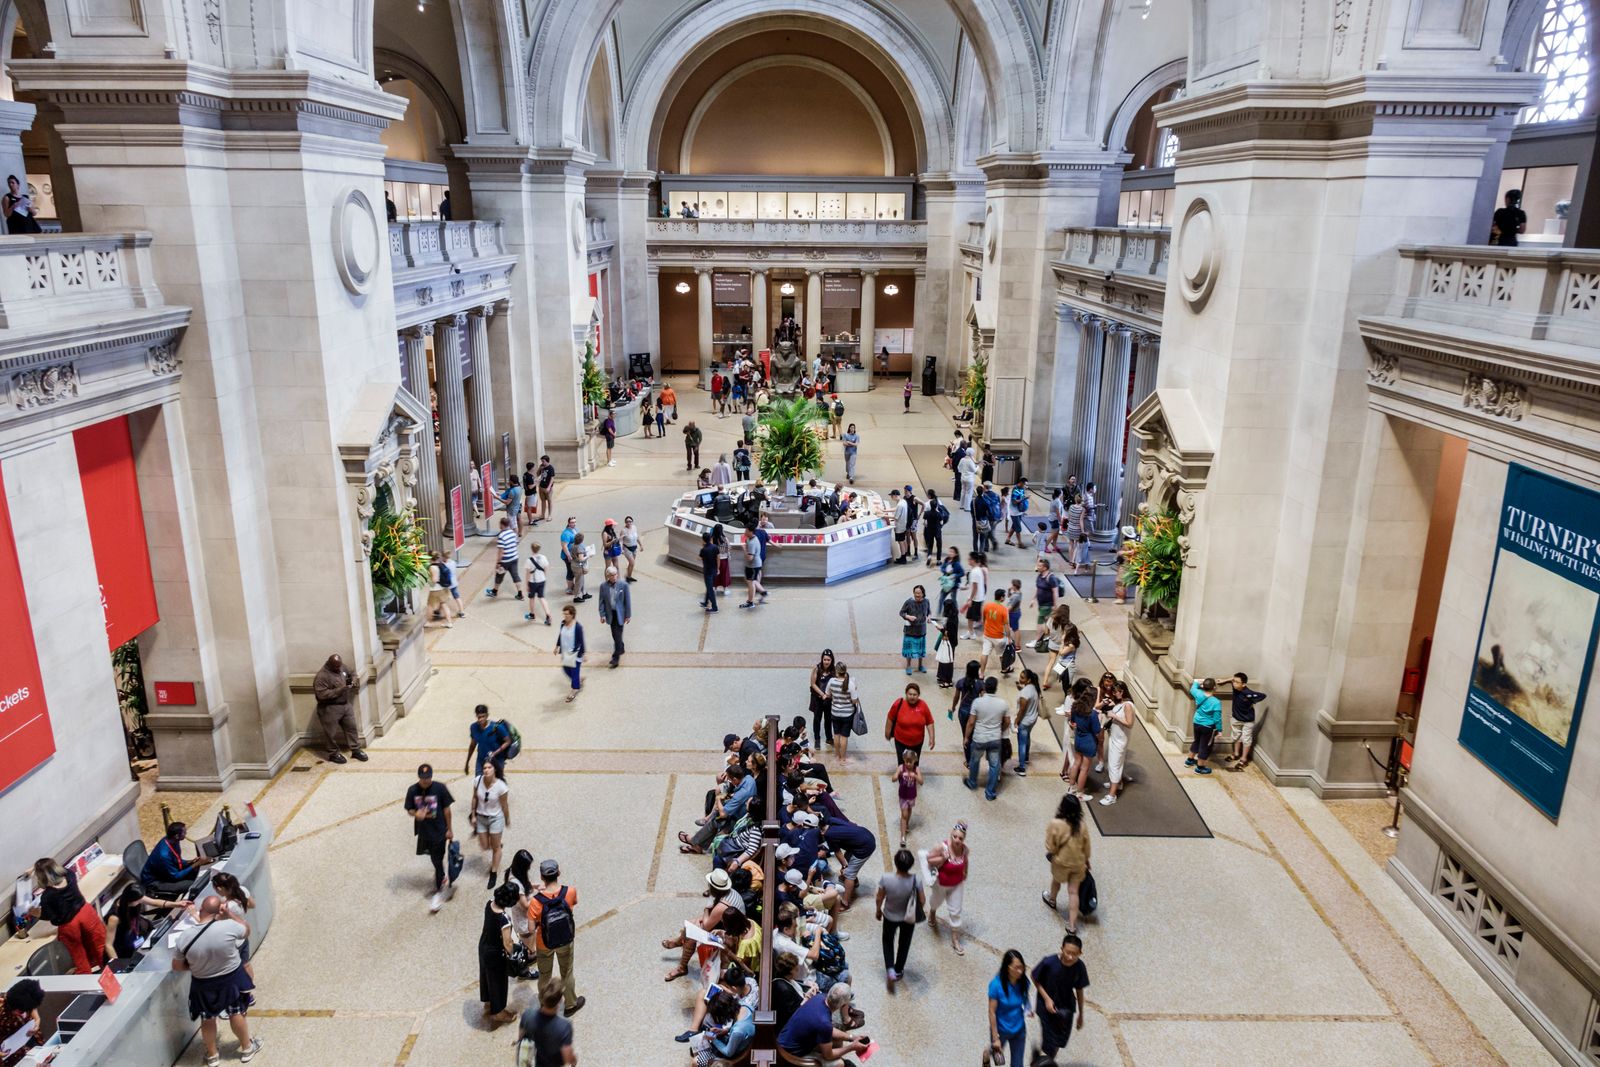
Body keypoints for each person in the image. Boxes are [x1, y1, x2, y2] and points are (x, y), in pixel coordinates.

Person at [174, 895, 261, 1064]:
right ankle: (247, 1048)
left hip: (203, 982)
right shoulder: (228, 926)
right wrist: (229, 913)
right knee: (236, 1013)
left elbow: (177, 966)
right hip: (231, 979)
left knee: (207, 1018)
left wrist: (195, 966)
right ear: (219, 911)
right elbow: (246, 929)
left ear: (200, 911)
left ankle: (212, 1055)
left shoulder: (184, 937)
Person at [527, 859, 584, 1017]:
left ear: (542, 876)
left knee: (545, 975)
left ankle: (545, 1005)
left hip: (544, 943)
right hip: (565, 939)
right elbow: (573, 904)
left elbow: (531, 928)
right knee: (567, 972)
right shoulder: (570, 891)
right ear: (558, 873)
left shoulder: (536, 902)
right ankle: (571, 1004)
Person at [28, 859, 104, 973]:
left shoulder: (48, 895)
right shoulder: (70, 876)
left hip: (69, 925)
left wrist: (33, 912)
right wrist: (35, 867)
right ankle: (109, 972)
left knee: (79, 957)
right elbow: (53, 868)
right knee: (100, 945)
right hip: (86, 913)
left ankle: (85, 979)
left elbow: (47, 915)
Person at [404, 764, 456, 912]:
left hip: (439, 831)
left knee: (437, 860)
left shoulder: (440, 788)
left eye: (428, 778)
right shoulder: (412, 790)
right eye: (422, 778)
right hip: (423, 832)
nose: (425, 780)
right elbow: (409, 809)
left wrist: (449, 830)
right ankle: (441, 877)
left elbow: (447, 810)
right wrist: (416, 814)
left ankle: (439, 888)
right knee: (434, 859)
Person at [777, 984, 869, 1063]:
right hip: (789, 1056)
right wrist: (852, 1047)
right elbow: (828, 1056)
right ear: (842, 1005)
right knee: (840, 1063)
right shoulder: (824, 1023)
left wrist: (852, 1037)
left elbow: (829, 1030)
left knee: (837, 1042)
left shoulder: (818, 998)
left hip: (781, 1043)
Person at [1033, 933, 1090, 1061]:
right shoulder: (1049, 962)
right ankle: (1046, 1062)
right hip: (1046, 1007)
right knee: (1049, 1041)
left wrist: (1081, 1014)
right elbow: (1035, 977)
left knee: (1059, 1041)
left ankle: (1048, 1061)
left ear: (1080, 953)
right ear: (1062, 949)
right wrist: (1047, 999)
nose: (1070, 957)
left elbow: (1079, 989)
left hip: (1066, 1008)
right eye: (1067, 952)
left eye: (1074, 954)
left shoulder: (1080, 967)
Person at [875, 849, 924, 989]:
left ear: (896, 863)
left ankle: (889, 968)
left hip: (890, 916)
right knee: (904, 943)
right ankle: (899, 969)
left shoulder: (886, 878)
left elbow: (880, 897)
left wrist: (878, 911)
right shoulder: (916, 880)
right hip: (908, 918)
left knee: (887, 941)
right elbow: (922, 900)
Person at [1043, 793, 1092, 934]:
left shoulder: (1055, 824)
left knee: (1056, 881)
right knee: (1073, 892)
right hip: (1078, 862)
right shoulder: (1082, 825)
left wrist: (1053, 852)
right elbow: (1086, 846)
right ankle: (1072, 925)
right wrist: (1087, 860)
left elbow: (1050, 846)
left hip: (1061, 861)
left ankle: (1052, 899)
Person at [106, 884, 192, 960]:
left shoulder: (131, 898)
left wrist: (177, 904)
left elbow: (155, 902)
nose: (142, 901)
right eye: (139, 900)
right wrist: (116, 963)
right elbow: (108, 945)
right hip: (125, 943)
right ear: (131, 900)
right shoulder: (114, 918)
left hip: (137, 931)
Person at [923, 822, 969, 955]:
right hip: (941, 883)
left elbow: (966, 860)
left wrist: (965, 872)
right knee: (936, 901)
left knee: (956, 911)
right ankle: (932, 912)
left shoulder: (965, 849)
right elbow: (929, 859)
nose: (957, 840)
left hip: (957, 884)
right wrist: (943, 857)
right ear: (951, 834)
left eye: (960, 838)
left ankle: (955, 939)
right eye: (955, 837)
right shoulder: (942, 847)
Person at [312, 653, 366, 764]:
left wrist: (354, 681)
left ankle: (355, 749)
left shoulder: (342, 666)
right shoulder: (321, 676)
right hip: (330, 708)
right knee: (330, 733)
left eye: (339, 666)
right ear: (329, 664)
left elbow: (352, 673)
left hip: (345, 705)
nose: (339, 669)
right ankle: (333, 754)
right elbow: (321, 695)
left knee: (351, 728)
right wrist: (341, 689)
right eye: (336, 667)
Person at [479, 882, 521, 1023]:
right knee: (498, 982)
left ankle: (488, 1002)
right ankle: (498, 1012)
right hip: (495, 954)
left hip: (484, 945)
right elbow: (507, 943)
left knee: (486, 976)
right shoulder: (504, 919)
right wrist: (514, 954)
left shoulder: (489, 903)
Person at [964, 676, 1010, 801]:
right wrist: (999, 730)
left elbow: (971, 722)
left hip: (979, 738)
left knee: (975, 761)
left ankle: (972, 782)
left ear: (985, 687)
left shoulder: (978, 702)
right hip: (995, 739)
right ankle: (990, 793)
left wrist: (966, 737)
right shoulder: (1003, 703)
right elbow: (1007, 722)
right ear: (996, 688)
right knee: (995, 765)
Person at [467, 761, 511, 889]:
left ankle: (493, 872)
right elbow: (474, 797)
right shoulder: (477, 781)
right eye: (484, 767)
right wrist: (473, 815)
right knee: (484, 846)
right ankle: (496, 845)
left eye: (489, 767)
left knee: (495, 848)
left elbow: (504, 805)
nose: (486, 770)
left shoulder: (501, 787)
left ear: (495, 770)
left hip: (495, 818)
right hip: (481, 817)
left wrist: (507, 819)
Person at [518, 978, 578, 1066]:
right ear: (559, 1002)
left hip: (538, 1059)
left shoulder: (528, 1014)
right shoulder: (564, 1027)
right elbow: (567, 1055)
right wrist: (573, 1061)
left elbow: (521, 1034)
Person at [987, 950, 1032, 1067]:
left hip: (1019, 1030)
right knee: (998, 1060)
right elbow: (992, 1012)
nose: (1020, 971)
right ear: (1008, 967)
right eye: (1016, 968)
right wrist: (995, 1037)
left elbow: (1025, 998)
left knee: (1017, 1065)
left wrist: (1028, 1009)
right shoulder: (996, 985)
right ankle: (988, 1052)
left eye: (1021, 967)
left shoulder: (1024, 982)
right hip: (1001, 1031)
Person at [140, 821, 210, 891]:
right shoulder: (164, 855)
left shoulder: (172, 840)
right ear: (177, 836)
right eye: (184, 833)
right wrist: (196, 864)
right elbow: (176, 876)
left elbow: (176, 859)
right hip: (155, 882)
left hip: (167, 872)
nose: (186, 834)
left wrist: (190, 862)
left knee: (198, 872)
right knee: (195, 884)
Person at [209, 872, 256, 976]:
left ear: (220, 888)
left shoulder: (228, 907)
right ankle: (249, 985)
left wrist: (194, 914)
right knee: (246, 964)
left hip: (233, 942)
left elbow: (212, 921)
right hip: (243, 938)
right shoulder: (242, 890)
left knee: (235, 971)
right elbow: (252, 905)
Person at [886, 680, 935, 774]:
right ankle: (903, 782)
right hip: (901, 742)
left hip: (917, 743)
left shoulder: (923, 706)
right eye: (910, 694)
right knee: (902, 764)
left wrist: (932, 737)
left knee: (914, 764)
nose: (912, 697)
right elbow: (890, 718)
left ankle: (912, 782)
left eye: (915, 694)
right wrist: (887, 732)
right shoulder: (899, 704)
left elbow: (929, 722)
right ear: (906, 694)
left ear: (918, 695)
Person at [1100, 681, 1136, 805]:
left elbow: (1129, 723)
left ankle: (1112, 795)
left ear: (1123, 691)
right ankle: (1118, 783)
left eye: (1118, 691)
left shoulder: (1127, 705)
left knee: (1114, 765)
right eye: (1114, 692)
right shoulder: (1121, 703)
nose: (1115, 694)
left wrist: (1114, 716)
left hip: (1120, 740)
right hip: (1115, 737)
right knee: (1116, 763)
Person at [1226, 672, 1268, 770]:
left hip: (1248, 721)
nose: (1234, 683)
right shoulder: (1235, 689)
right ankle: (1236, 754)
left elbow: (1263, 695)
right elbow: (1232, 680)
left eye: (1236, 682)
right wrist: (1224, 680)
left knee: (1246, 739)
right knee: (1236, 736)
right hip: (1236, 718)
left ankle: (1243, 759)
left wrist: (1252, 698)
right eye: (1233, 681)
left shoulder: (1248, 693)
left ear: (1243, 684)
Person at [0, 978, 46, 1064]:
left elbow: (32, 1007)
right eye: (21, 1011)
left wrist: (37, 1019)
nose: (24, 1013)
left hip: (33, 1041)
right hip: (12, 1056)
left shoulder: (21, 997)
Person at [1186, 676, 1222, 774]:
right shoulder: (1216, 702)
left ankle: (1189, 760)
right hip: (1207, 726)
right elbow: (1217, 718)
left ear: (1203, 686)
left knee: (1196, 741)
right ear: (1214, 688)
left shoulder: (1198, 693)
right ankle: (1200, 767)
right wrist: (1219, 730)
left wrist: (1200, 681)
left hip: (1196, 722)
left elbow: (1194, 685)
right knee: (1204, 746)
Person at [465, 703, 512, 778]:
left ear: (487, 715)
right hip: (481, 760)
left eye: (483, 716)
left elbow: (508, 741)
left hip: (497, 760)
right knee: (478, 784)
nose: (481, 719)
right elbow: (473, 745)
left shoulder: (497, 727)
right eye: (479, 717)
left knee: (496, 784)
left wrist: (495, 753)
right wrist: (467, 762)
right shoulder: (473, 727)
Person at [597, 565, 631, 668]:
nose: (614, 577)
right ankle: (621, 647)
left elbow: (627, 601)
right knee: (615, 635)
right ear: (608, 576)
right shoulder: (603, 586)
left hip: (620, 614)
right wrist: (602, 615)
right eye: (612, 575)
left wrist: (628, 615)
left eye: (615, 574)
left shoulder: (623, 585)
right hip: (611, 614)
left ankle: (615, 658)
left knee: (617, 636)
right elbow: (601, 602)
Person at [826, 661, 861, 763]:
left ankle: (837, 754)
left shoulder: (831, 681)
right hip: (847, 714)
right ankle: (843, 757)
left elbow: (827, 694)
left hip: (835, 712)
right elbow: (854, 700)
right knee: (844, 736)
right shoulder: (850, 684)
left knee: (836, 734)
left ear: (836, 671)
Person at [485, 516, 524, 600]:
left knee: (499, 575)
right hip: (514, 558)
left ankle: (494, 591)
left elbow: (501, 551)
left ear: (502, 525)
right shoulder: (513, 533)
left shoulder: (501, 536)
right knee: (515, 576)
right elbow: (516, 543)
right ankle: (520, 594)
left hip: (505, 560)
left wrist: (498, 563)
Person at [891, 749, 923, 847]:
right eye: (906, 761)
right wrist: (897, 775)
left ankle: (906, 825)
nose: (908, 764)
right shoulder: (901, 768)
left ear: (915, 761)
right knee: (904, 814)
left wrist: (915, 776)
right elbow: (893, 778)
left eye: (910, 762)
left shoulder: (916, 769)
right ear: (904, 760)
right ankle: (903, 837)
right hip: (903, 795)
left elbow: (921, 782)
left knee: (909, 811)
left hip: (912, 795)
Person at [1014, 667, 1041, 777]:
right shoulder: (1034, 688)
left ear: (1028, 680)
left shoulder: (1025, 693)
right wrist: (1020, 689)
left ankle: (1021, 767)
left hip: (1024, 721)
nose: (1020, 679)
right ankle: (1025, 758)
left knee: (1022, 743)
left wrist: (1016, 721)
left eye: (1022, 678)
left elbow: (1022, 709)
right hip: (1032, 719)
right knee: (1027, 738)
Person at [1042, 606, 1077, 691]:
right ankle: (1061, 678)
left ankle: (1044, 682)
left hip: (1052, 644)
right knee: (1062, 662)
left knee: (1050, 663)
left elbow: (1046, 632)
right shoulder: (1067, 624)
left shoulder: (1051, 620)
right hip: (1063, 646)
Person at [554, 604, 585, 700]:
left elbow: (581, 641)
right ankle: (577, 681)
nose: (565, 616)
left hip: (575, 654)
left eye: (567, 614)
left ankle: (574, 689)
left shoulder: (578, 627)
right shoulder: (563, 623)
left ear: (572, 615)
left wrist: (583, 653)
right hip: (565, 652)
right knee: (565, 669)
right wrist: (557, 646)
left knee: (574, 671)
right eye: (564, 614)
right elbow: (561, 635)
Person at [898, 584, 931, 672]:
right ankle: (908, 666)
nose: (917, 595)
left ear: (923, 593)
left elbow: (929, 612)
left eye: (919, 593)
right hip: (910, 630)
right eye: (915, 593)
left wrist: (929, 617)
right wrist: (908, 616)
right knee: (909, 649)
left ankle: (920, 665)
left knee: (921, 649)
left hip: (921, 630)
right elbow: (901, 612)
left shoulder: (926, 601)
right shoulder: (909, 602)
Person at [809, 649, 837, 746]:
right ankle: (817, 738)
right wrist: (822, 694)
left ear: (831, 660)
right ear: (822, 659)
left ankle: (829, 738)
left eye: (828, 660)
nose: (826, 662)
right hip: (818, 699)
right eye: (825, 660)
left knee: (828, 720)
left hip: (829, 701)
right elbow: (813, 684)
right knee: (817, 719)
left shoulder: (834, 670)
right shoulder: (817, 669)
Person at [979, 589, 1008, 677]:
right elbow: (1006, 625)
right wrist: (1009, 638)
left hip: (987, 635)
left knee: (985, 653)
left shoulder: (987, 606)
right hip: (999, 636)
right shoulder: (1003, 609)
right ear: (1001, 598)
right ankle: (1004, 669)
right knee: (1002, 654)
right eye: (1004, 596)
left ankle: (981, 673)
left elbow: (983, 619)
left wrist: (985, 628)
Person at [961, 551, 989, 640]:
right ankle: (971, 632)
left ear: (973, 560)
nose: (968, 560)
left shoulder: (975, 572)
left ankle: (971, 633)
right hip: (978, 598)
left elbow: (975, 587)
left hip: (975, 599)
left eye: (969, 559)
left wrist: (970, 599)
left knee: (970, 617)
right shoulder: (978, 569)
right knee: (971, 617)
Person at [524, 542, 554, 624]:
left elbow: (528, 573)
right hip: (542, 580)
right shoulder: (543, 557)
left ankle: (532, 614)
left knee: (532, 598)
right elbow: (546, 567)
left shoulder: (529, 560)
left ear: (531, 549)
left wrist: (527, 584)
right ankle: (548, 615)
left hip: (533, 582)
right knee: (542, 597)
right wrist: (544, 576)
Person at [740, 527, 768, 608]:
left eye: (746, 530)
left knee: (751, 583)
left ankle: (750, 602)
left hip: (753, 565)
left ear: (751, 532)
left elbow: (750, 558)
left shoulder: (752, 542)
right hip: (752, 565)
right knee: (752, 581)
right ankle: (763, 592)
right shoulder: (750, 538)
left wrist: (744, 549)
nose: (745, 531)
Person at [922, 490, 947, 564]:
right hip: (937, 530)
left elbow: (924, 522)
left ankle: (929, 556)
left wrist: (927, 526)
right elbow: (941, 522)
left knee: (930, 544)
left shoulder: (927, 513)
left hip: (929, 530)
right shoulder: (939, 514)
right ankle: (938, 560)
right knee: (939, 545)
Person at [697, 530, 720, 613]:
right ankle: (706, 602)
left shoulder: (703, 550)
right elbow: (718, 558)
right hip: (714, 570)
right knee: (709, 587)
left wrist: (702, 547)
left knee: (710, 589)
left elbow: (699, 558)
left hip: (707, 572)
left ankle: (715, 607)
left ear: (703, 540)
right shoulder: (715, 547)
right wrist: (718, 568)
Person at [535, 455, 556, 524]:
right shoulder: (542, 467)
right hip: (541, 486)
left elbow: (552, 478)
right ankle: (542, 514)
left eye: (543, 461)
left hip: (547, 487)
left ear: (547, 461)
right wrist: (539, 469)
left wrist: (549, 487)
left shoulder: (551, 468)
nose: (542, 462)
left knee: (549, 501)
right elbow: (537, 474)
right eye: (541, 461)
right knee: (543, 501)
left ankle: (549, 515)